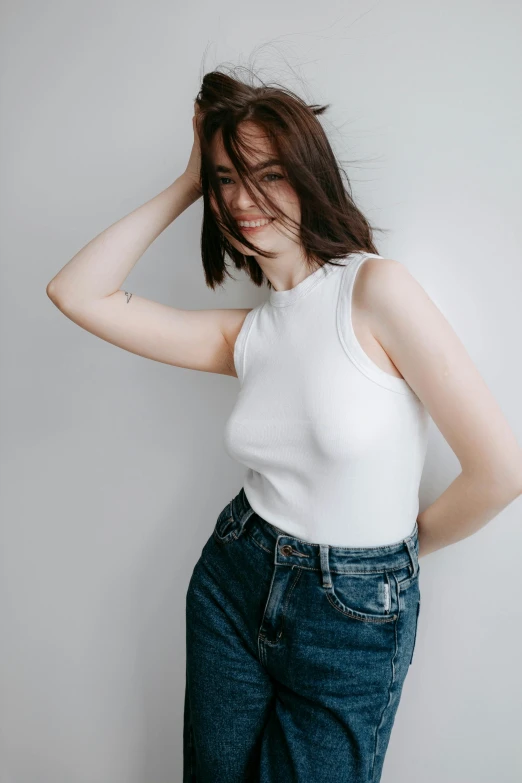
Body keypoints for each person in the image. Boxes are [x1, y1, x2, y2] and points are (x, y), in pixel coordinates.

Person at [46, 69, 522, 782]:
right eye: (225, 178)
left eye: (266, 173)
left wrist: (390, 560)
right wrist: (186, 180)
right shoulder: (246, 335)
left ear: (310, 174)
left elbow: (501, 472)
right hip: (234, 580)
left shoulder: (376, 290)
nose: (240, 198)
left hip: (352, 619)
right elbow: (76, 292)